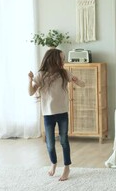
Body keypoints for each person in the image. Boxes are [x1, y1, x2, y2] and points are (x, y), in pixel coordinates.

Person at [28, 48, 85, 181]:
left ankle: (66, 167)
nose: (63, 61)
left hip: (62, 112)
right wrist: (30, 80)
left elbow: (83, 84)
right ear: (53, 60)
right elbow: (31, 92)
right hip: (48, 114)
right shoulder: (41, 75)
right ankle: (53, 163)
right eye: (62, 59)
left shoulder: (64, 73)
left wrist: (76, 80)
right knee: (50, 143)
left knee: (64, 141)